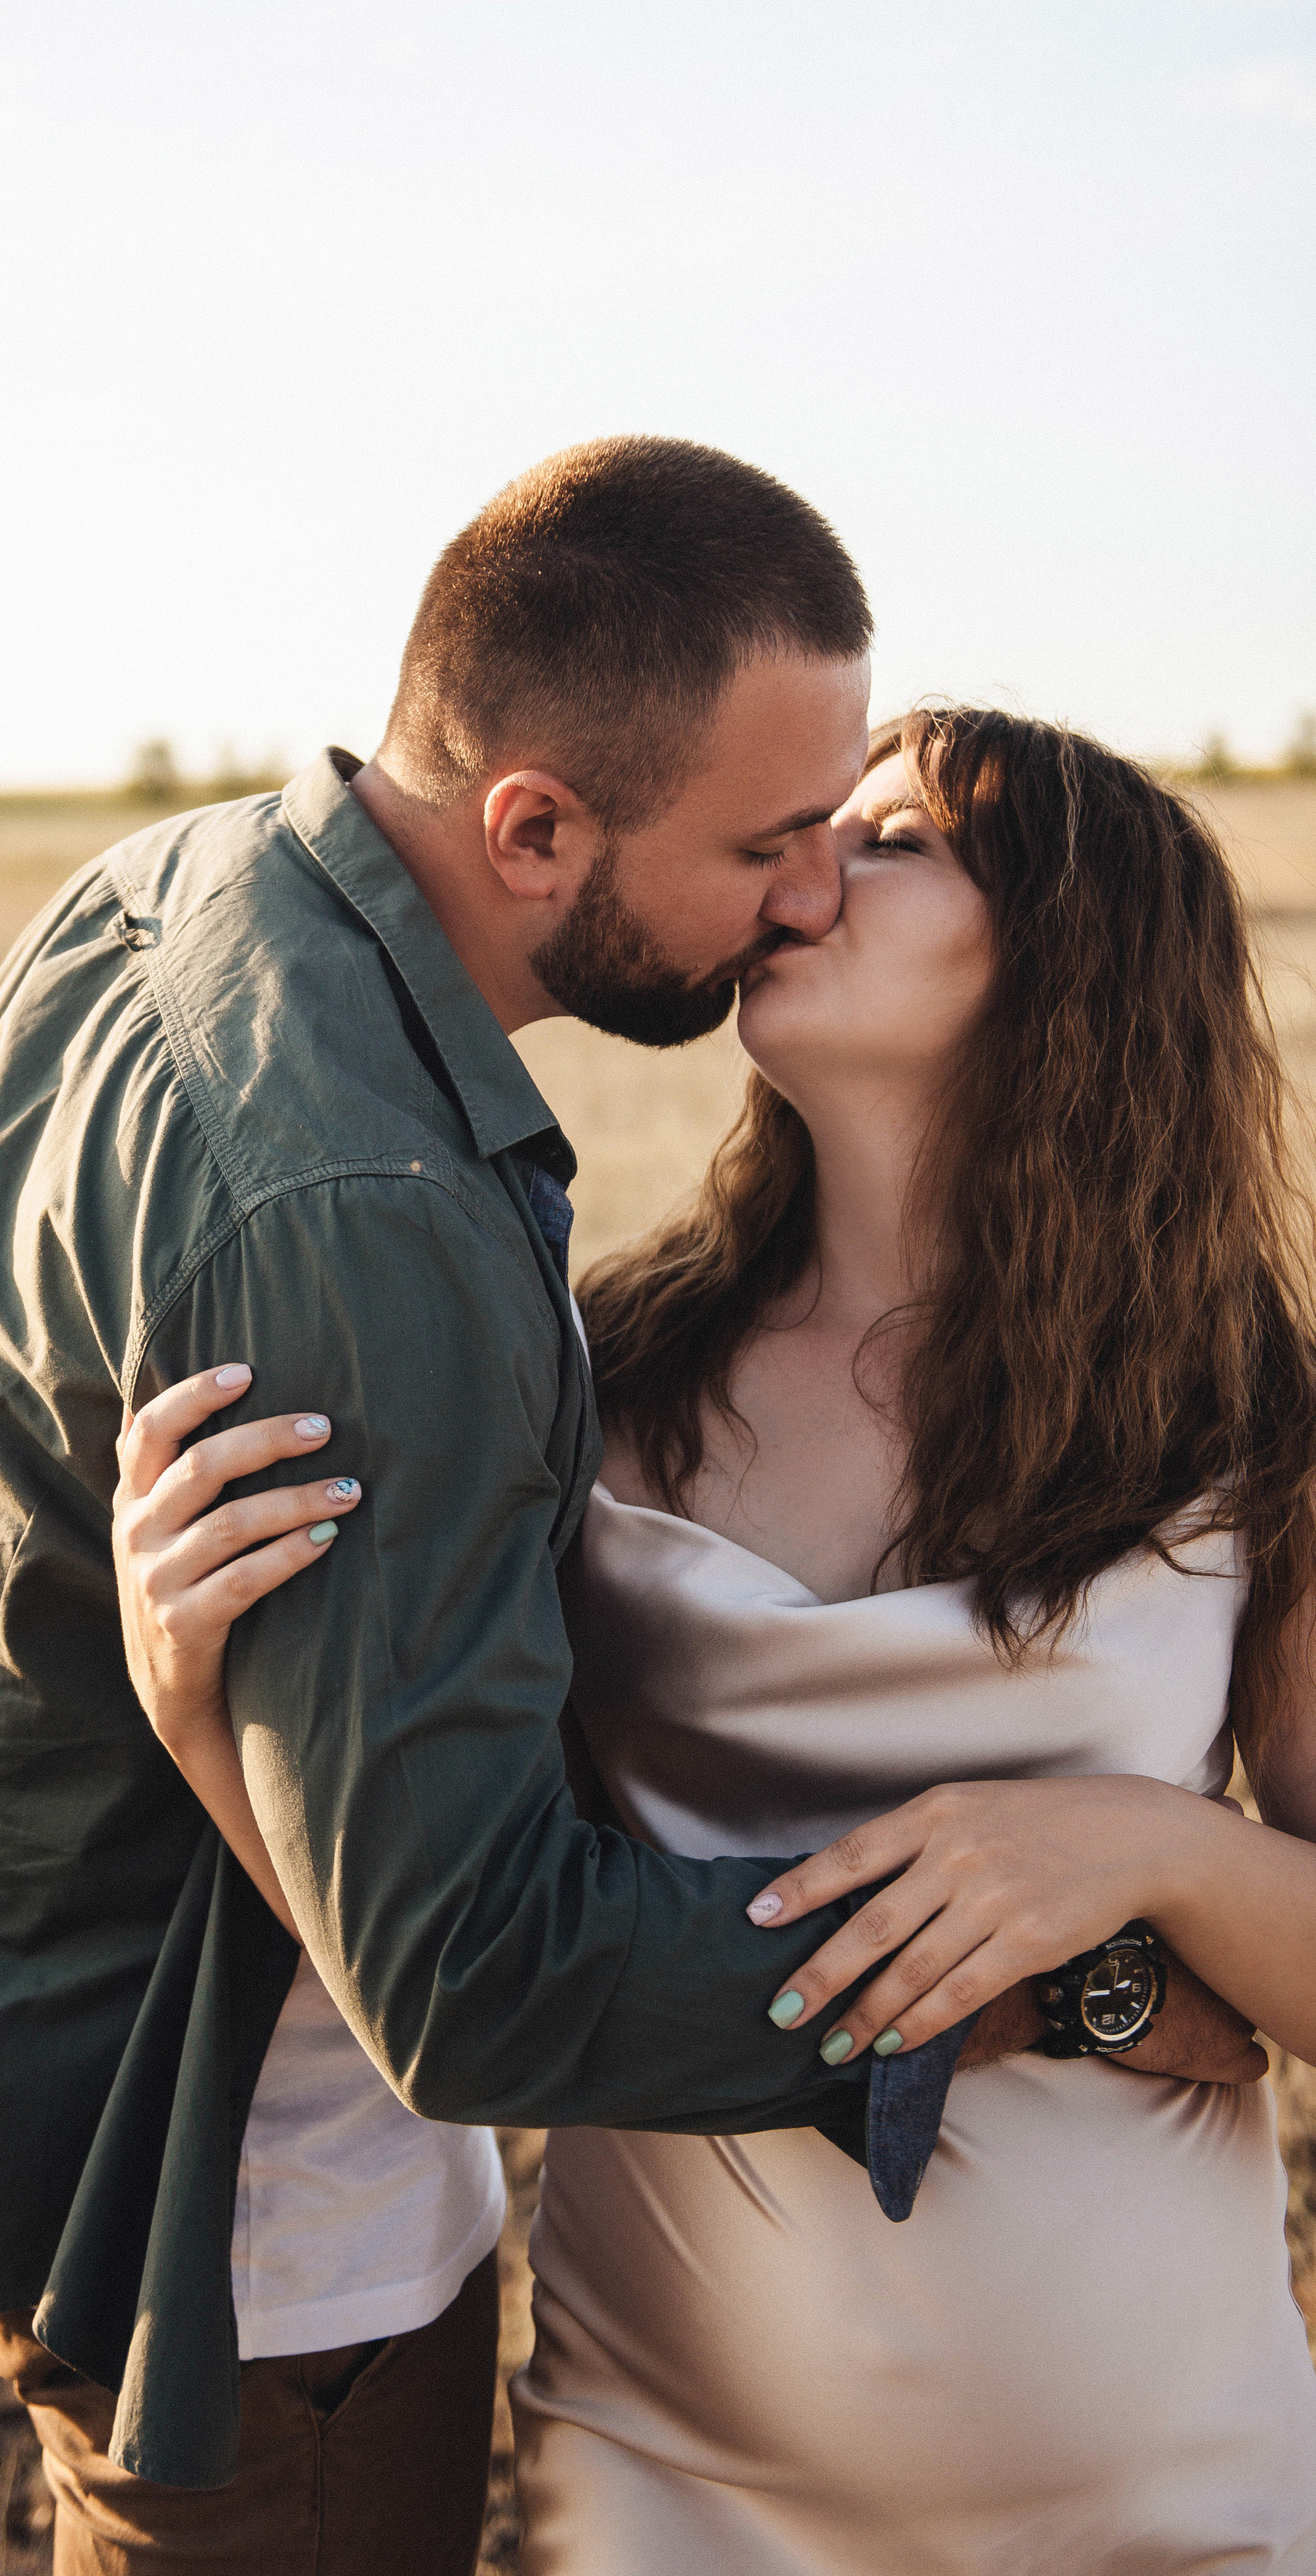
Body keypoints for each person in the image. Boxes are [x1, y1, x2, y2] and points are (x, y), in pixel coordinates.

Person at [124, 707, 1316, 2569]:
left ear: (1075, 961)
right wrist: (204, 1716)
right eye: (810, 824)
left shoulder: (1252, 1422)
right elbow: (461, 1950)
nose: (801, 871)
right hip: (665, 2468)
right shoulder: (599, 1371)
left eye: (896, 838)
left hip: (1160, 2482)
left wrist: (1150, 1851)